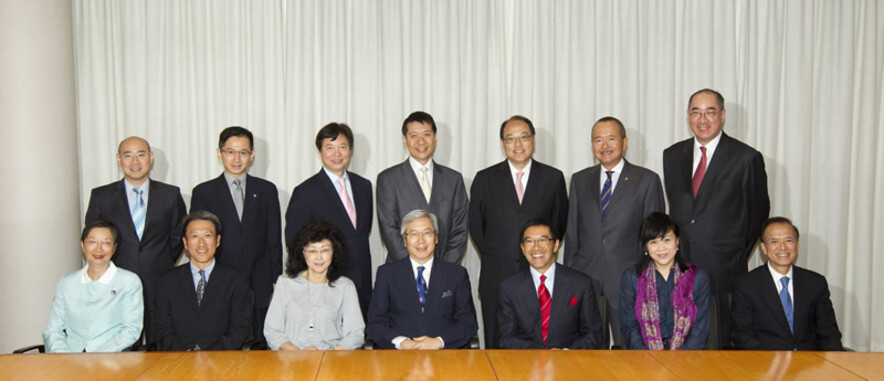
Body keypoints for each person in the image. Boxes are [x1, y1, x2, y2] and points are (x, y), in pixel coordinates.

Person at [662, 88, 769, 348]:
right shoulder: (672, 155)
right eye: (696, 112)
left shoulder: (746, 158)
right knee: (681, 349)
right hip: (680, 271)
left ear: (722, 115)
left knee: (718, 350)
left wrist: (731, 252)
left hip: (724, 273)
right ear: (688, 116)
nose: (703, 119)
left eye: (710, 112)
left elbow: (757, 216)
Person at [469, 115, 569, 349]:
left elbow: (559, 224)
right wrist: (498, 254)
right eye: (510, 139)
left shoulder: (553, 178)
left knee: (539, 342)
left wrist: (538, 255)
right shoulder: (485, 179)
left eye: (524, 137)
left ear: (533, 139)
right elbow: (476, 227)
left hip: (540, 274)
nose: (518, 144)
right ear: (502, 143)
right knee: (496, 343)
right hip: (497, 274)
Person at [564, 116, 665, 348]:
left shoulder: (647, 180)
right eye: (598, 140)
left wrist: (648, 279)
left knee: (629, 353)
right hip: (586, 279)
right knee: (586, 354)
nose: (605, 145)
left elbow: (655, 238)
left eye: (611, 138)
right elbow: (572, 233)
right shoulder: (579, 180)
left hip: (628, 281)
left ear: (625, 142)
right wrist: (570, 277)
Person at [84, 136, 187, 344]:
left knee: (159, 348)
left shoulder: (170, 195)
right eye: (128, 155)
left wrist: (159, 261)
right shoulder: (101, 196)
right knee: (118, 351)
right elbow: (93, 240)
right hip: (115, 285)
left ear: (150, 158)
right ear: (118, 159)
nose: (135, 162)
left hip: (159, 281)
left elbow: (178, 236)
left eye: (141, 155)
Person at [190, 126, 283, 343]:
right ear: (219, 153)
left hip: (259, 279)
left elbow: (274, 239)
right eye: (230, 151)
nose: (236, 158)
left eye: (243, 152)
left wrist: (276, 278)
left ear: (252, 155)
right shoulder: (204, 192)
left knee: (260, 344)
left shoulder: (267, 190)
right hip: (220, 280)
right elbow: (199, 242)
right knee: (222, 343)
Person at [284, 123, 373, 316]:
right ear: (319, 151)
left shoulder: (364, 187)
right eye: (329, 148)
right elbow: (294, 240)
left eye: (342, 147)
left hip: (361, 284)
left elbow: (361, 234)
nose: (337, 154)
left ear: (350, 150)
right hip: (325, 286)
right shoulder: (306, 192)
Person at [366, 209, 478, 349]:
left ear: (436, 238)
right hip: (399, 357)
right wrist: (402, 342)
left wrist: (438, 342)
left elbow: (468, 323)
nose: (420, 240)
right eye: (413, 234)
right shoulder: (387, 275)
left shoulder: (456, 275)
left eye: (427, 233)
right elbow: (375, 324)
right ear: (405, 241)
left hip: (445, 356)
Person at [730, 217, 843, 351]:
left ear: (797, 244)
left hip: (809, 364)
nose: (782, 247)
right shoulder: (746, 285)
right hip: (766, 364)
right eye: (774, 241)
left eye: (788, 240)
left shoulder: (815, 283)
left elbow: (829, 333)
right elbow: (743, 335)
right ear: (764, 248)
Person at [377, 111, 469, 264]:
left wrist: (442, 269)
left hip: (445, 272)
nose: (421, 141)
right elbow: (389, 230)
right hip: (402, 271)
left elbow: (460, 230)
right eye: (414, 136)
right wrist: (415, 269)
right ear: (405, 140)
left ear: (435, 137)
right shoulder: (388, 179)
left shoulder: (454, 179)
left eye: (426, 134)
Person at [153, 211, 251, 351]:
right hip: (178, 360)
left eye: (207, 236)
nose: (201, 243)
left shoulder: (236, 280)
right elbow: (162, 329)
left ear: (217, 240)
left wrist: (207, 355)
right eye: (194, 236)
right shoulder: (167, 281)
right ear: (185, 243)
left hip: (221, 360)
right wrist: (186, 355)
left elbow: (239, 328)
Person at [497, 220, 603, 349]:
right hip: (527, 363)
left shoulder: (580, 283)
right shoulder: (509, 288)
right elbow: (507, 339)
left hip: (571, 361)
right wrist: (544, 354)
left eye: (542, 240)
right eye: (529, 241)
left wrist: (566, 353)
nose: (536, 247)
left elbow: (594, 334)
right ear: (523, 249)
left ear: (556, 245)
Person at [43, 220, 143, 352]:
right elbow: (53, 330)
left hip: (112, 360)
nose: (98, 249)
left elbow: (131, 330)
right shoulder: (67, 282)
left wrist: (95, 357)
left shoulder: (129, 281)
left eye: (106, 243)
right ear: (82, 245)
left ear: (114, 247)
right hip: (69, 360)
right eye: (92, 242)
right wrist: (64, 357)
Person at [264, 220, 365, 350]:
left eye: (324, 250)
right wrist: (297, 353)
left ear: (334, 252)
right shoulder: (285, 283)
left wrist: (330, 352)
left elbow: (356, 334)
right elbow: (272, 331)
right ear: (302, 253)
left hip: (332, 359)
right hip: (291, 359)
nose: (319, 257)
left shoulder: (345, 287)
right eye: (312, 251)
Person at [619, 213, 710, 350]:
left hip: (688, 360)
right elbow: (629, 328)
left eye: (667, 240)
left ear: (677, 241)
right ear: (646, 247)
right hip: (644, 359)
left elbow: (700, 331)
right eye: (653, 242)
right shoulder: (632, 278)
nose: (661, 248)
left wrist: (680, 360)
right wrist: (649, 359)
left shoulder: (698, 278)